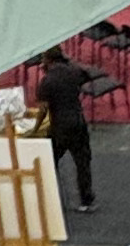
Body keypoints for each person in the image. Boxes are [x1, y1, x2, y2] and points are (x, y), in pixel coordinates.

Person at [34, 49, 97, 212]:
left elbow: (43, 109)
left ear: (47, 60)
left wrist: (35, 129)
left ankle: (49, 198)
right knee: (82, 163)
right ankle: (86, 201)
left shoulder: (47, 81)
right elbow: (87, 74)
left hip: (60, 127)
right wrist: (68, 61)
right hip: (78, 122)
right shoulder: (73, 72)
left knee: (49, 161)